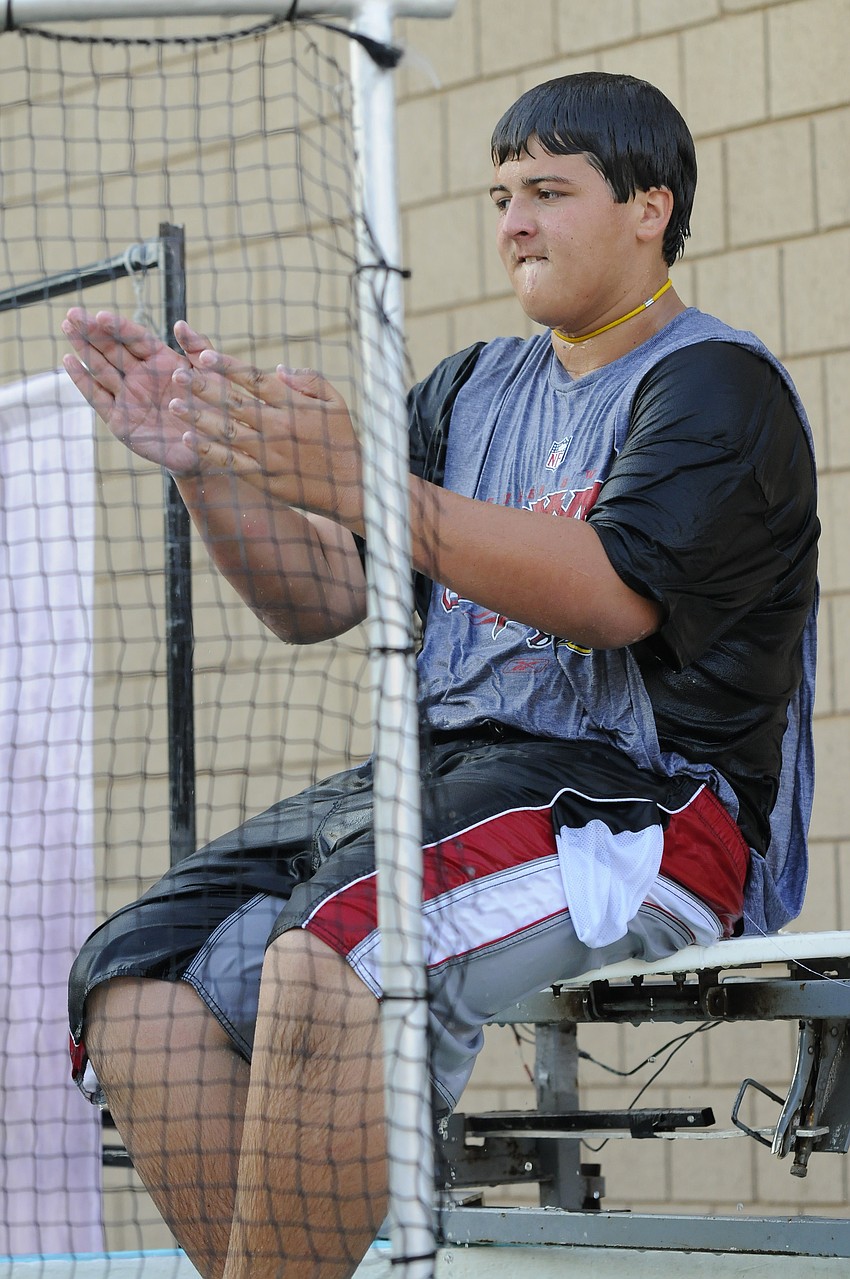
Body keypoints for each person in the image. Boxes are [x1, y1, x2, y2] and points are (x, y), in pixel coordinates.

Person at [64, 71, 818, 1279]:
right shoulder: (469, 386)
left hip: (648, 805)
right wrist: (206, 465)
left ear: (649, 207)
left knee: (340, 945)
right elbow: (321, 602)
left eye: (549, 191)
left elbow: (609, 594)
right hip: (449, 777)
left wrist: (366, 480)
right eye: (502, 192)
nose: (512, 219)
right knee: (135, 984)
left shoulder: (715, 381)